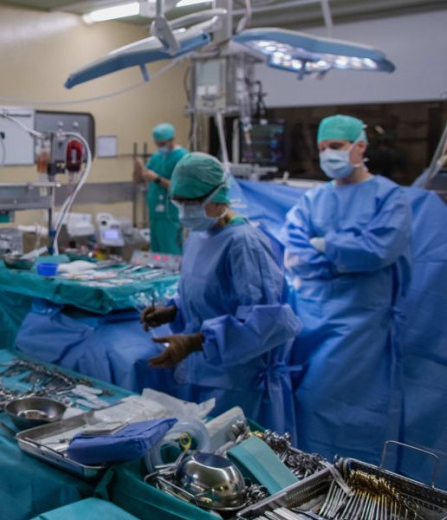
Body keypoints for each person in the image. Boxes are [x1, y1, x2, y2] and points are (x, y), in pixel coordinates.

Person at [281, 114, 412, 463]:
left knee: (360, 410)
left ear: (360, 147)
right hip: (310, 318)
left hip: (362, 324)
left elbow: (378, 251)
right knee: (310, 402)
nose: (328, 155)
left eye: (336, 147)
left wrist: (326, 246)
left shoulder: (389, 197)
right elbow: (297, 254)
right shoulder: (311, 201)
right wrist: (343, 255)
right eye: (323, 148)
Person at [141, 153, 301, 433]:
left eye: (191, 203)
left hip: (238, 382)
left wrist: (195, 342)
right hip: (200, 372)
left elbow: (261, 323)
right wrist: (174, 310)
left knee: (237, 463)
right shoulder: (197, 237)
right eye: (179, 203)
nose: (184, 211)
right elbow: (205, 292)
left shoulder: (245, 244)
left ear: (219, 197)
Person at [134, 123, 189, 254]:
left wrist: (157, 179)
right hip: (155, 214)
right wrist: (138, 168)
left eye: (162, 144)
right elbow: (138, 180)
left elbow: (182, 189)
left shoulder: (182, 157)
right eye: (157, 144)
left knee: (171, 253)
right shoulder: (156, 157)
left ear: (172, 139)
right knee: (156, 255)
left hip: (171, 215)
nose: (160, 147)